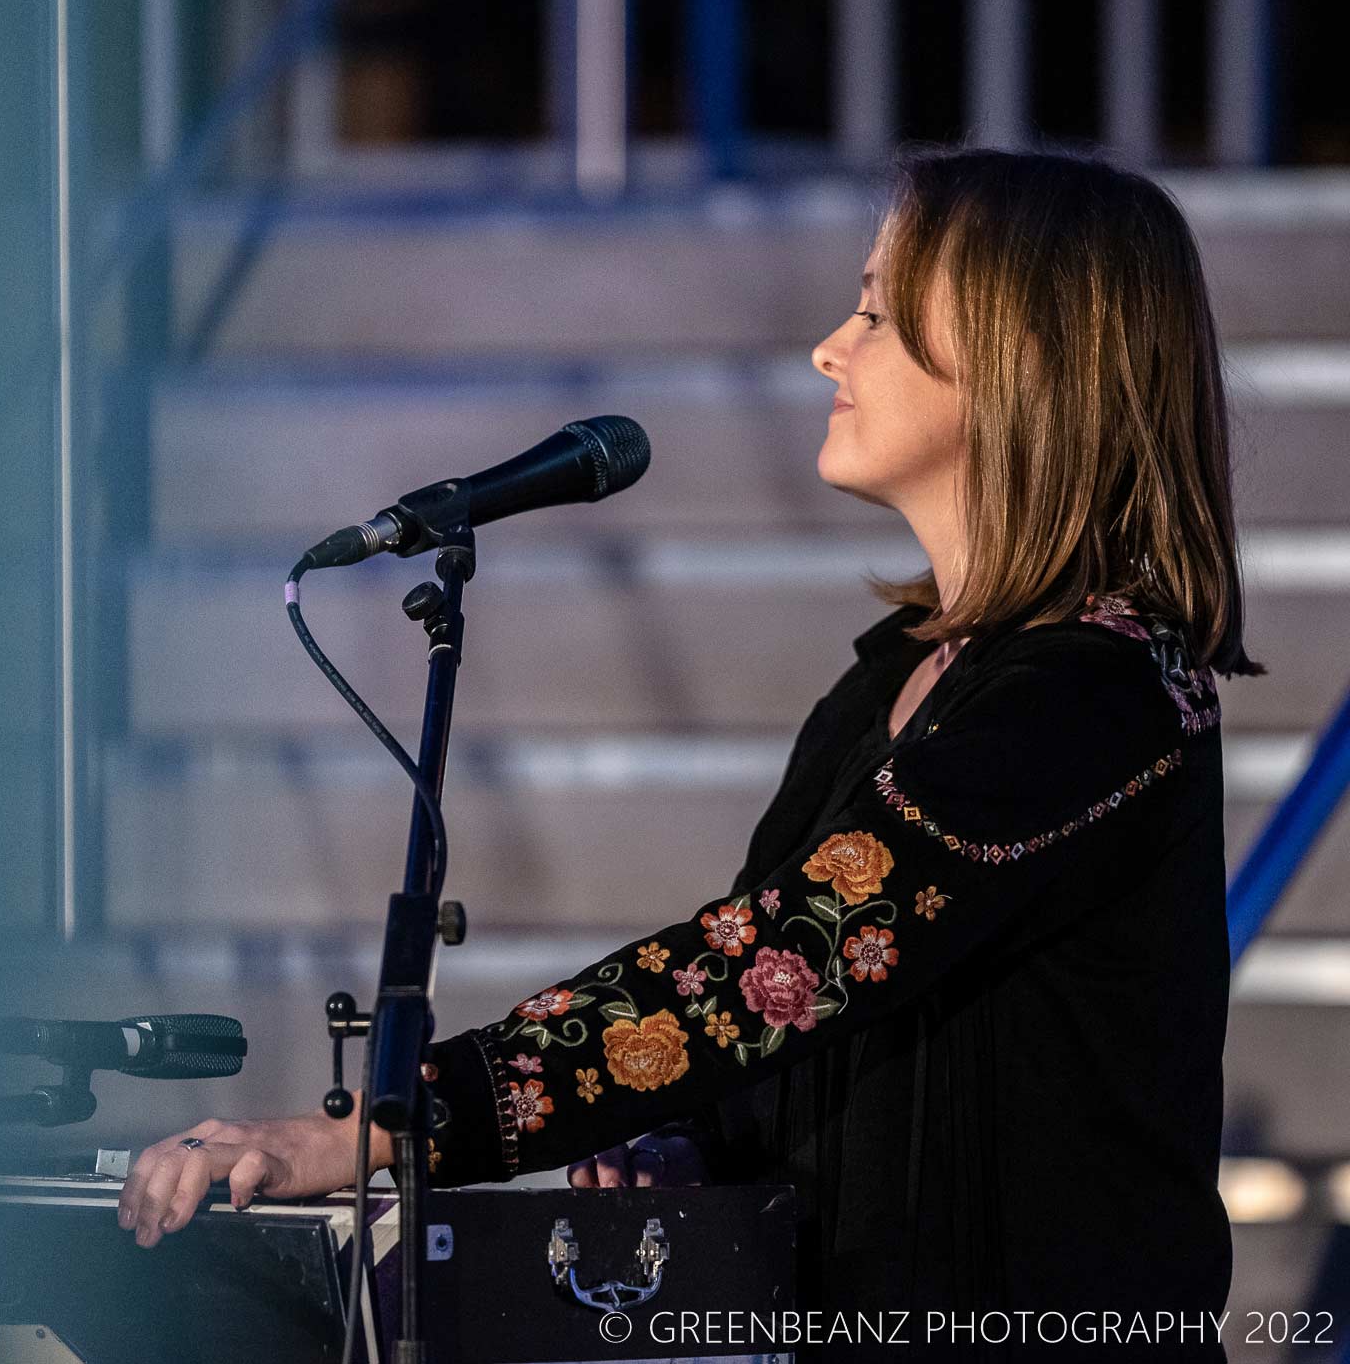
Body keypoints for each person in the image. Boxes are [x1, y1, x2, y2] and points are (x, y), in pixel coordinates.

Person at [115, 146, 1264, 1358]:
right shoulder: (890, 679)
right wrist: (703, 1139)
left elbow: (779, 960)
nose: (831, 346)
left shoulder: (1095, 698)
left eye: (876, 312)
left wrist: (381, 1128)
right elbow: (802, 1016)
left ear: (1018, 358)